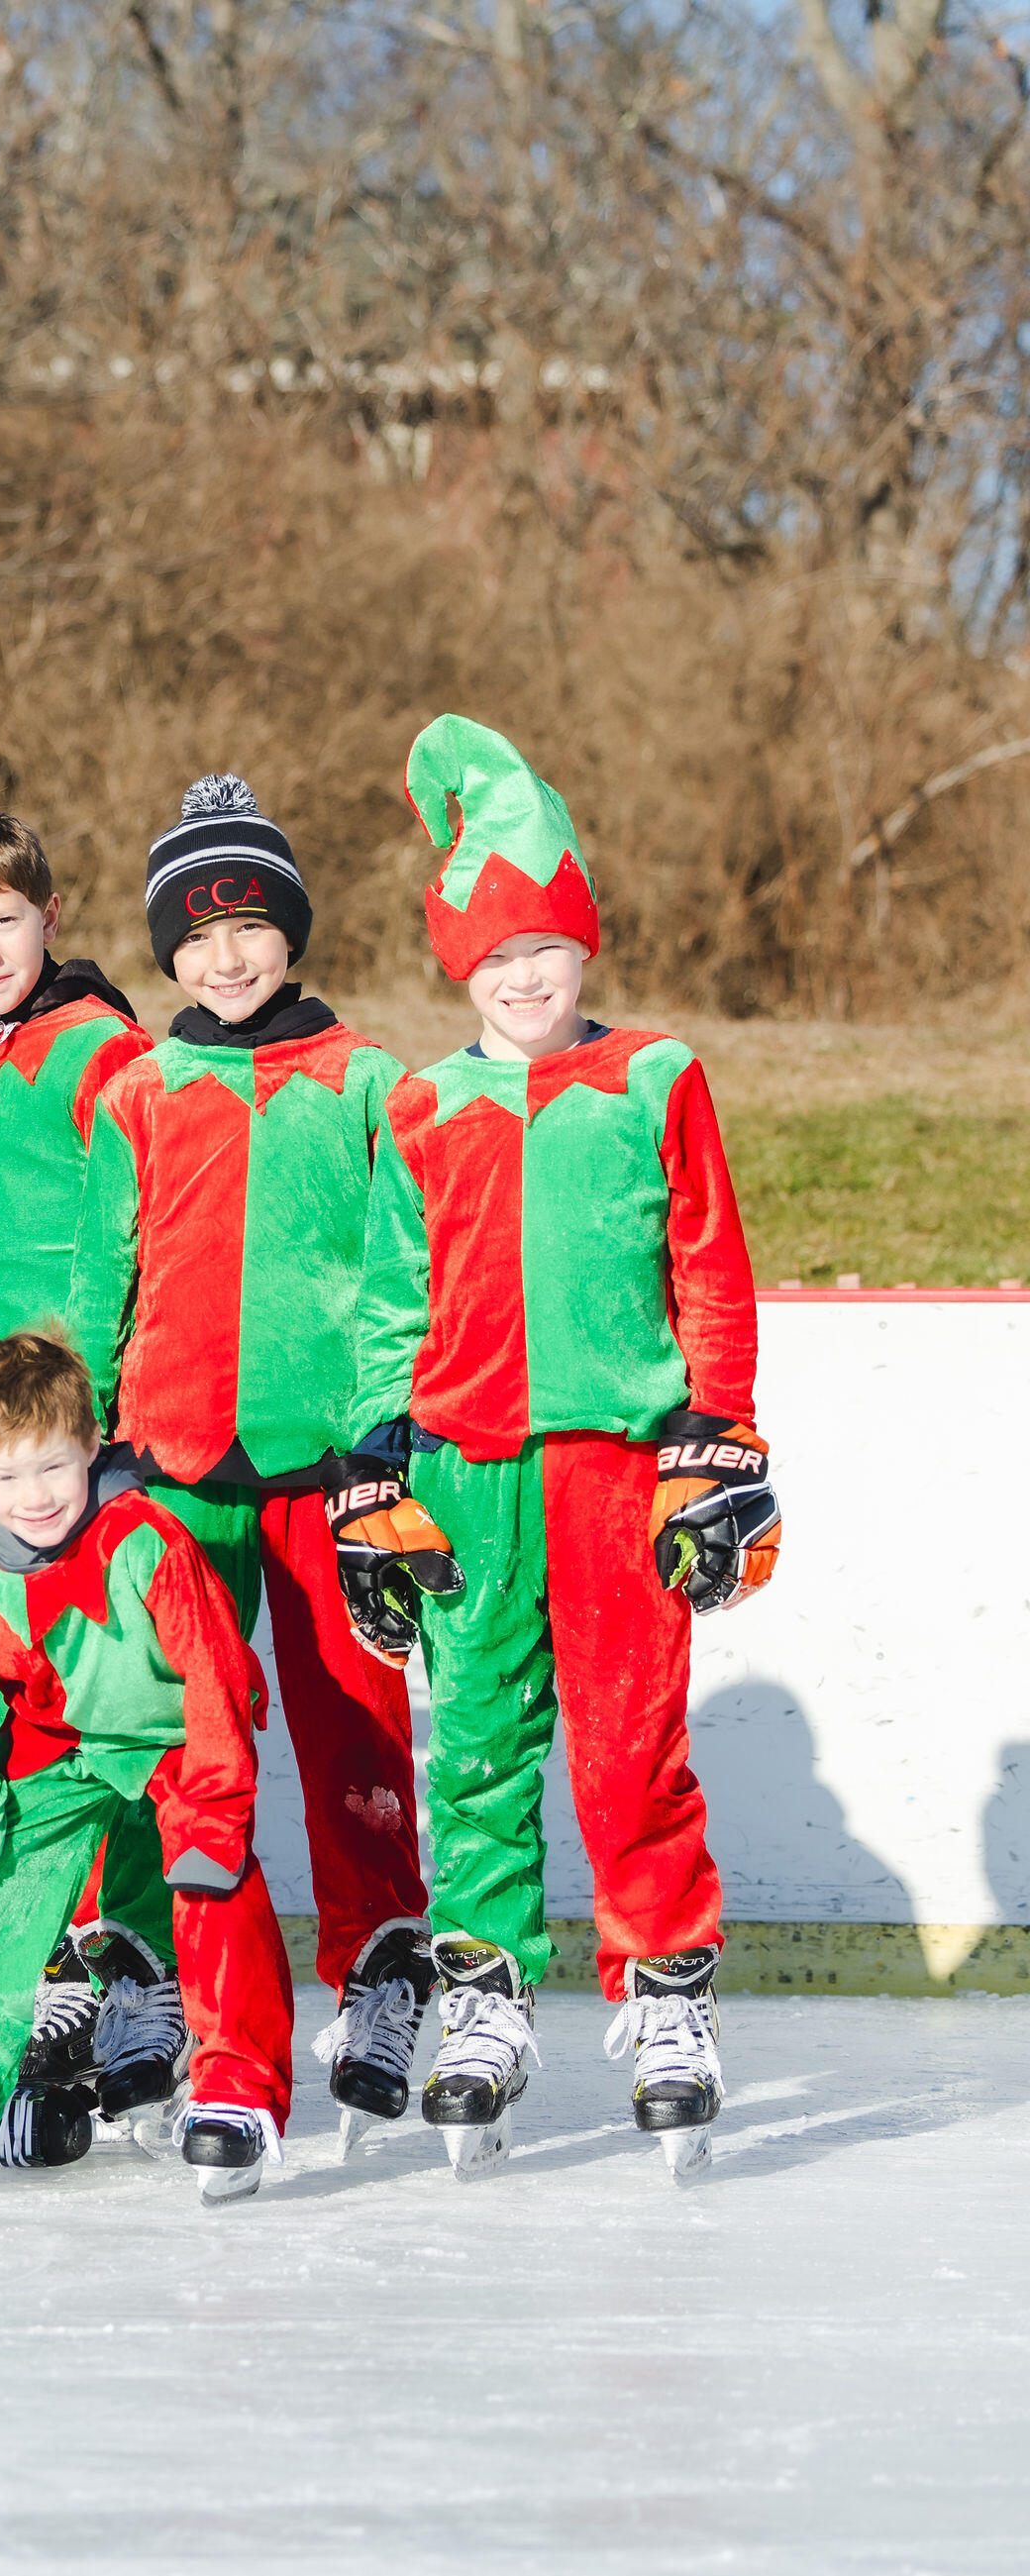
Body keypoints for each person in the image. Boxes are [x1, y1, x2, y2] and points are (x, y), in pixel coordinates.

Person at [339, 717, 776, 2181]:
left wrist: (720, 1434)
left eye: (547, 949)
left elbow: (710, 1267)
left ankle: (666, 1998)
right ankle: (483, 1996)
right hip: (464, 1471)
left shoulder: (658, 1080)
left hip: (618, 1464)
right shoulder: (422, 1106)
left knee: (631, 1748)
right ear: (455, 968)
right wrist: (373, 1471)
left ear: (586, 943)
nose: (523, 979)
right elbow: (390, 1300)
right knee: (472, 1746)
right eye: (491, 959)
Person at [66, 773, 437, 2152]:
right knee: (161, 1734)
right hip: (166, 1468)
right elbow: (103, 1270)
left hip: (326, 1467)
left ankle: (380, 1966)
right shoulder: (141, 1089)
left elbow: (405, 1269)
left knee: (353, 1723)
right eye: (199, 933)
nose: (228, 956)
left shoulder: (366, 1084)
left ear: (293, 930)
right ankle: (148, 1975)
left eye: (253, 925)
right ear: (168, 949)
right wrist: (97, 1436)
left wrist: (379, 1433)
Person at [0, 1333, 297, 2200]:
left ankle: (236, 2091)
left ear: (89, 1446)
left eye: (52, 1468)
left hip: (175, 1739)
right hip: (61, 1740)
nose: (33, 1498)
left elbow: (216, 1673)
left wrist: (219, 1807)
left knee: (211, 1878)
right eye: (6, 1477)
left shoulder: (147, 1540)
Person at [0, 811, 150, 1360]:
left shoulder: (105, 1050)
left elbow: (129, 1244)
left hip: (69, 1386)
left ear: (48, 918)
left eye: (3, 922)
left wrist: (90, 1388)